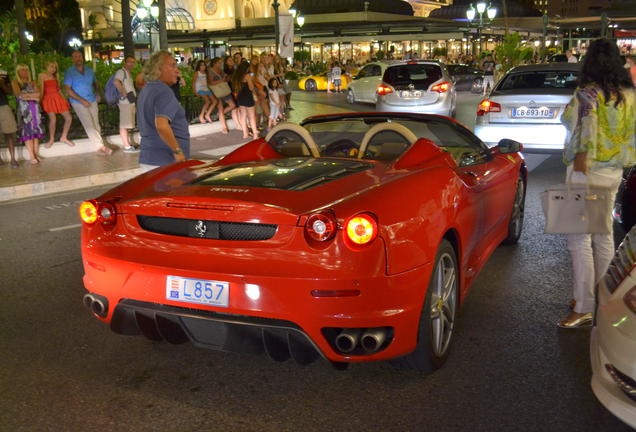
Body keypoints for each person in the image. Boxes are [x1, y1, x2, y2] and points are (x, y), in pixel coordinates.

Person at [558, 38, 636, 328]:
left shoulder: (588, 93)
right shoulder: (629, 94)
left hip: (586, 169)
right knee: (603, 237)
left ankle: (583, 306)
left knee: (578, 240)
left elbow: (577, 126)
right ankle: (602, 300)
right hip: (614, 170)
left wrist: (580, 161)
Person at [136, 51, 190, 171]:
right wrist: (178, 151)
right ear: (158, 69)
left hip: (149, 158)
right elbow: (161, 125)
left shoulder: (147, 89)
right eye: (172, 65)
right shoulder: (164, 91)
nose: (177, 71)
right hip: (165, 161)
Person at [64, 50, 112, 155]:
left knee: (96, 124)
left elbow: (96, 83)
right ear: (72, 59)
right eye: (75, 57)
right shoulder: (69, 72)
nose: (78, 58)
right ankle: (101, 146)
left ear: (82, 57)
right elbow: (68, 90)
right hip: (78, 101)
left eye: (80, 56)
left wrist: (98, 94)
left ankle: (99, 147)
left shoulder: (89, 70)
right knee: (89, 124)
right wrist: (82, 100)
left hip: (92, 99)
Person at [11, 64, 45, 164]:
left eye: (26, 70)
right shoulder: (15, 82)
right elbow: (19, 96)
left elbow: (38, 95)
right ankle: (31, 156)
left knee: (35, 132)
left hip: (35, 109)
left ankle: (35, 154)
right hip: (23, 111)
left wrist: (28, 96)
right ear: (18, 72)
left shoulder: (33, 82)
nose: (24, 72)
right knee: (27, 132)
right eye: (22, 70)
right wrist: (32, 96)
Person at [38, 61, 74, 148]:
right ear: (46, 66)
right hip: (48, 99)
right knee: (53, 119)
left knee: (69, 118)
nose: (53, 69)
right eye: (51, 66)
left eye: (54, 67)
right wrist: (40, 102)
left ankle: (64, 137)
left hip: (58, 98)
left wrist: (65, 99)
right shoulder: (42, 75)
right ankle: (51, 139)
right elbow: (42, 90)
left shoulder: (55, 76)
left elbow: (58, 90)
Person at [113, 55, 139, 153]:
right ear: (125, 63)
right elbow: (116, 82)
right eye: (129, 62)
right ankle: (127, 146)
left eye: (133, 62)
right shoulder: (121, 72)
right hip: (125, 102)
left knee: (127, 123)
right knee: (124, 124)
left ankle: (128, 144)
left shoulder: (128, 73)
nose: (131, 64)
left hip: (129, 102)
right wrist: (124, 92)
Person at [208, 57, 238, 134]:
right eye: (219, 62)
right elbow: (210, 82)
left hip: (223, 90)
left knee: (233, 105)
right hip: (216, 91)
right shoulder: (210, 71)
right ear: (215, 63)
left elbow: (225, 79)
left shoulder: (220, 70)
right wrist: (221, 80)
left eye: (221, 62)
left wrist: (226, 78)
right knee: (220, 108)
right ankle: (224, 127)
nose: (220, 64)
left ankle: (219, 115)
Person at [232, 60, 258, 140]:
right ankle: (255, 135)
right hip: (248, 98)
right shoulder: (247, 76)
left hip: (240, 98)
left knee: (243, 116)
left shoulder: (236, 76)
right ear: (246, 68)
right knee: (252, 117)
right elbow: (251, 87)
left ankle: (245, 134)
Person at [0, 68, 18, 167]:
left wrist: (2, 84)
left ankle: (13, 159)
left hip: (3, 105)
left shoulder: (3, 73)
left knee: (9, 132)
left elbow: (10, 92)